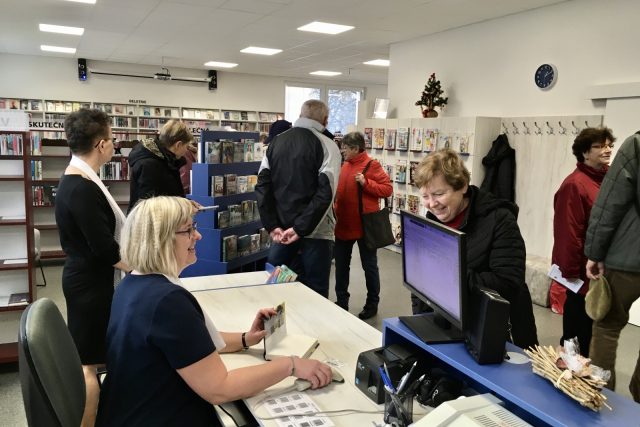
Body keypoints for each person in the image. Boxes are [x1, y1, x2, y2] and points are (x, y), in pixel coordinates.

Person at [96, 197, 332, 426]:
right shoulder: (167, 301)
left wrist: (244, 339)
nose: (197, 235)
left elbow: (188, 341)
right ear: (161, 240)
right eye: (188, 230)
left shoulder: (132, 284)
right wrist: (291, 365)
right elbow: (220, 388)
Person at [412, 149, 538, 349]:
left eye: (439, 194)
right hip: (450, 328)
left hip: (497, 334)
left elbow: (509, 281)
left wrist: (451, 277)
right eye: (425, 196)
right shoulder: (433, 220)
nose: (431, 204)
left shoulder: (499, 219)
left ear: (462, 186)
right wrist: (421, 320)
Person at [55, 108, 130, 427]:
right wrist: (142, 267)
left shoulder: (82, 178)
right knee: (88, 364)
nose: (114, 146)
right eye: (112, 140)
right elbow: (104, 248)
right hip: (91, 287)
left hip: (92, 282)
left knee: (95, 358)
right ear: (101, 145)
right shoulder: (82, 186)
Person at [255, 100, 341, 298]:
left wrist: (272, 225)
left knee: (276, 287)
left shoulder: (276, 142)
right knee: (316, 293)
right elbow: (326, 192)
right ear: (325, 120)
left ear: (300, 115)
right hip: (316, 233)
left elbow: (262, 185)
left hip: (281, 232)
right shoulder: (328, 146)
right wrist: (301, 228)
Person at [585, 132, 640, 401]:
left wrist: (594, 253)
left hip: (628, 258)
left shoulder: (637, 145)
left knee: (607, 325)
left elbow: (609, 204)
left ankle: (599, 397)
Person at [551, 127, 615, 356]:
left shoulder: (607, 179)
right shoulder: (575, 184)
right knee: (577, 323)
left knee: (591, 323)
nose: (607, 150)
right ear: (585, 153)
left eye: (609, 145)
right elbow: (568, 232)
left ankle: (580, 362)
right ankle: (571, 364)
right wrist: (570, 271)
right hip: (580, 270)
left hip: (598, 267)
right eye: (600, 146)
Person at [334, 131, 393, 319]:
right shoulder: (344, 165)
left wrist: (366, 183)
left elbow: (387, 189)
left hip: (365, 226)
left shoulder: (371, 165)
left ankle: (372, 304)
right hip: (343, 225)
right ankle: (341, 301)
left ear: (355, 148)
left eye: (345, 147)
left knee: (369, 266)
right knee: (342, 266)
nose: (342, 150)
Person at [128, 119, 193, 212]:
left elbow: (167, 195)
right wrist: (183, 206)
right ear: (178, 145)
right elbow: (151, 205)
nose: (186, 150)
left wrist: (186, 203)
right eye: (186, 146)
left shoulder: (165, 160)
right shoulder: (150, 165)